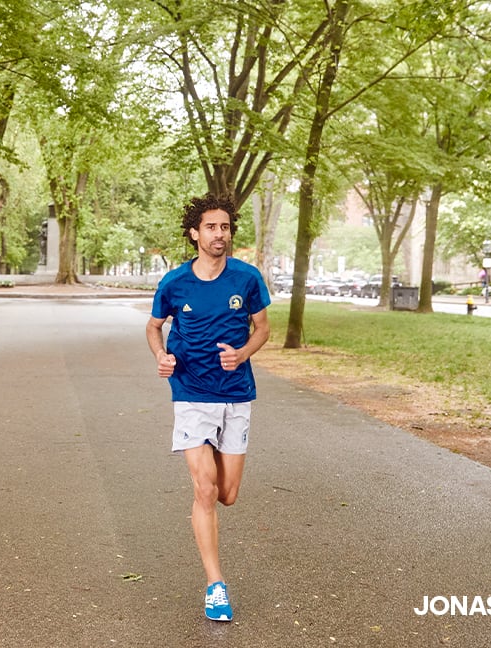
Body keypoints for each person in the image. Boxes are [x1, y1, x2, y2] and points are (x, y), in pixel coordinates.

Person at [145, 193, 271, 622]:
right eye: (212, 227)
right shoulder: (175, 283)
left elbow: (263, 328)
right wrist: (161, 356)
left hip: (235, 393)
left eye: (225, 227)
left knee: (227, 495)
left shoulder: (247, 278)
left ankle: (215, 471)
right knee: (205, 490)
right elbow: (153, 327)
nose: (220, 234)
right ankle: (215, 585)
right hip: (191, 393)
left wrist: (243, 353)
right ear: (195, 233)